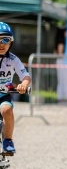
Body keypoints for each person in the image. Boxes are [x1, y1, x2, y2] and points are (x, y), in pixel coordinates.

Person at [0, 22, 31, 155]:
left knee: (7, 109)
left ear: (10, 42)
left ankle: (8, 140)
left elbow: (25, 76)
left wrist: (24, 84)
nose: (2, 44)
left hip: (3, 95)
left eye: (5, 40)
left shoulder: (13, 59)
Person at [54, 27, 67, 103]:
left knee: (62, 81)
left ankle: (62, 97)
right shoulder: (61, 42)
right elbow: (60, 54)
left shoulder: (58, 42)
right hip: (63, 62)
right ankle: (66, 98)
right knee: (65, 80)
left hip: (61, 62)